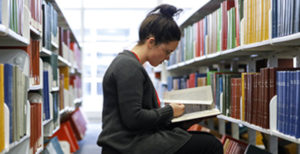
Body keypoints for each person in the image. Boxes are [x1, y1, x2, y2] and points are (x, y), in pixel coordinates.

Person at [97, 4, 223, 154]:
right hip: (127, 144)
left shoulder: (130, 64)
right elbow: (134, 118)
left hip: (133, 140)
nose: (168, 58)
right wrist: (170, 111)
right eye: (167, 51)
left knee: (200, 139)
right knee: (210, 145)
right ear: (151, 42)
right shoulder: (128, 66)